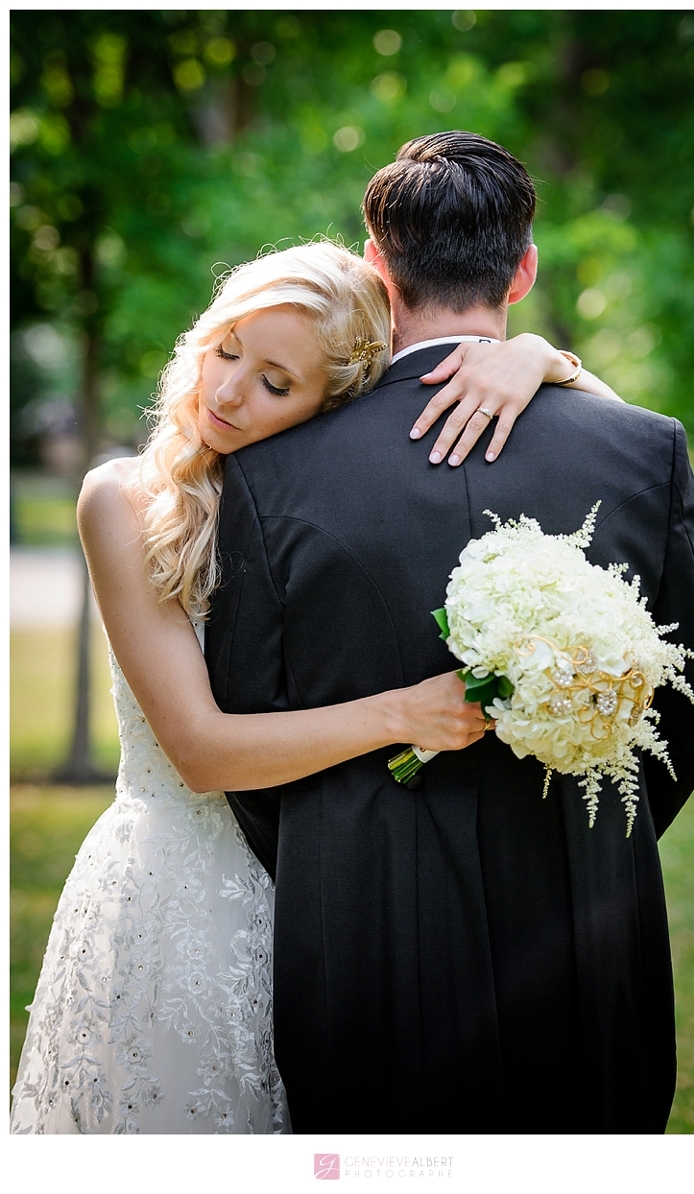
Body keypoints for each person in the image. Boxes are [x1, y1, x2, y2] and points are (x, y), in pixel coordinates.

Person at [10, 240, 612, 1135]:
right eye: (226, 351)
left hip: (330, 889)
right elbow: (202, 752)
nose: (224, 394)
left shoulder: (330, 503)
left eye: (274, 384)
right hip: (182, 899)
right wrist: (405, 713)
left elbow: (620, 436)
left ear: (334, 405)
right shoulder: (125, 501)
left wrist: (540, 359)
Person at [206, 134, 694, 1135]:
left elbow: (247, 728)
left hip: (358, 921)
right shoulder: (643, 446)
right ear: (523, 269)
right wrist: (586, 835)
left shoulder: (271, 473)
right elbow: (682, 709)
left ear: (374, 264)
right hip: (585, 904)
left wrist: (339, 854)